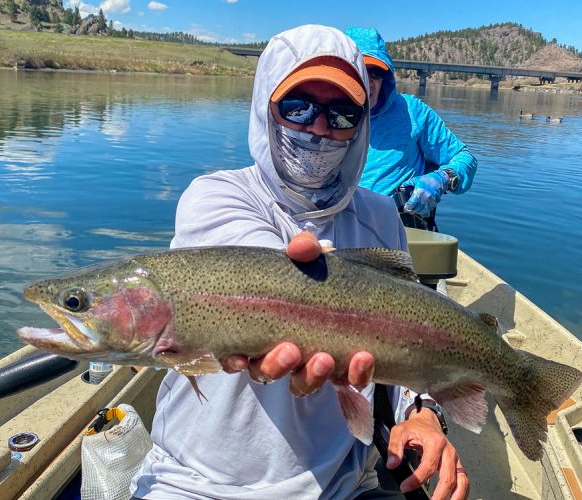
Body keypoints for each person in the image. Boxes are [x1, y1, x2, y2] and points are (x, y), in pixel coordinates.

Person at [130, 25, 468, 500]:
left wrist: (425, 411)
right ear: (266, 106)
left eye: (342, 114)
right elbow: (268, 284)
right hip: (195, 483)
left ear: (361, 124)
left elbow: (403, 329)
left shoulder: (378, 215)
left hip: (342, 484)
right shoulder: (216, 196)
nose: (318, 127)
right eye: (297, 107)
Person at [344, 27, 477, 227]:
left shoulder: (412, 111)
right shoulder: (324, 115)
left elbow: (464, 158)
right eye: (359, 71)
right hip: (341, 227)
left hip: (402, 232)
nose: (368, 82)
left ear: (386, 77)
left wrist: (443, 177)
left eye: (376, 72)